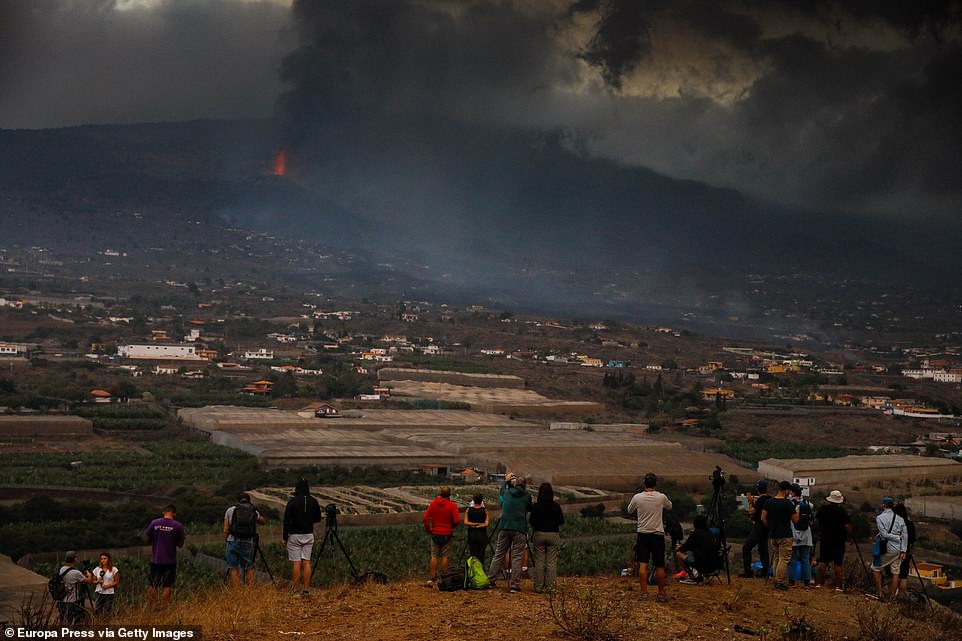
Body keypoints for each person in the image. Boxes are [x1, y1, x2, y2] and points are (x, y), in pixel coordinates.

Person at [626, 472, 672, 601]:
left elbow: (629, 510)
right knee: (659, 565)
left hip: (643, 534)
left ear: (644, 484)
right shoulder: (661, 497)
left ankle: (644, 592)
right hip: (657, 534)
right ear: (655, 484)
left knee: (643, 563)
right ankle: (661, 593)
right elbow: (670, 506)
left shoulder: (637, 497)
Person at [486, 473, 532, 592]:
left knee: (499, 554)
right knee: (517, 556)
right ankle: (514, 585)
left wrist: (506, 482)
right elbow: (529, 507)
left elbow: (501, 494)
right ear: (525, 485)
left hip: (505, 526)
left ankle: (491, 579)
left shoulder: (507, 493)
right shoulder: (527, 496)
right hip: (519, 528)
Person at [283, 479, 322, 596]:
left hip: (294, 535)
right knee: (307, 562)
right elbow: (318, 518)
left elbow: (286, 521)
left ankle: (295, 590)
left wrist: (285, 537)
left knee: (296, 562)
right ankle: (306, 590)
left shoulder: (292, 502)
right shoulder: (314, 501)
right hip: (309, 534)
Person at [144, 504, 185, 606]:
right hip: (170, 561)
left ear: (164, 512)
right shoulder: (178, 526)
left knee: (153, 584)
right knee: (167, 585)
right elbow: (180, 544)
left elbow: (147, 539)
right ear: (174, 513)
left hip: (156, 560)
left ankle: (150, 606)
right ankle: (164, 607)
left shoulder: (154, 523)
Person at [761, 481, 799, 591]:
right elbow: (795, 520)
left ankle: (775, 578)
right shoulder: (787, 504)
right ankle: (779, 581)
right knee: (784, 558)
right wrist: (797, 510)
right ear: (786, 490)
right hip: (785, 535)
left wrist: (770, 527)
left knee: (777, 557)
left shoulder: (769, 502)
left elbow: (763, 518)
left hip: (773, 534)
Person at [224, 492, 267, 587]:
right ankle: (251, 591)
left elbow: (225, 530)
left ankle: (238, 593)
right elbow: (263, 522)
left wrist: (227, 541)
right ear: (249, 501)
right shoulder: (253, 511)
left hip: (233, 541)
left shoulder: (230, 510)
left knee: (233, 568)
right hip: (247, 542)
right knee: (248, 568)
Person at [529, 482, 565, 592]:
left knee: (539, 561)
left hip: (539, 534)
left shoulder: (536, 506)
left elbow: (531, 521)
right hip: (553, 534)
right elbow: (561, 521)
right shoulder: (556, 506)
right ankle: (550, 587)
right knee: (551, 562)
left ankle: (539, 586)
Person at [872, 496, 908, 600]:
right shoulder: (900, 519)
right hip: (898, 549)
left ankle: (880, 593)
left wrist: (895, 537)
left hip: (887, 548)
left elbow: (883, 534)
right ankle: (892, 597)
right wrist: (903, 550)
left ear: (883, 505)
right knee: (896, 572)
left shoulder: (879, 518)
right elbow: (905, 535)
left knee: (875, 568)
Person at [422, 486, 461, 584]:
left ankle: (432, 578)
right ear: (449, 495)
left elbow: (426, 518)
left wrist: (429, 529)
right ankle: (445, 578)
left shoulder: (433, 504)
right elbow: (457, 520)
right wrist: (452, 527)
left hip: (435, 533)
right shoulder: (452, 506)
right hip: (447, 534)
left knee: (434, 556)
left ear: (440, 493)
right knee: (445, 556)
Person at [814, 490, 851, 590]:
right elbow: (847, 526)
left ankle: (819, 584)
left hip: (826, 538)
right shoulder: (842, 512)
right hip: (839, 540)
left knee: (823, 561)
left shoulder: (823, 509)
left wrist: (819, 529)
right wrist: (849, 534)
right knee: (838, 563)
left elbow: (816, 522)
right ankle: (838, 586)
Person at [675, 515, 717, 584]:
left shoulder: (695, 534)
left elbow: (685, 548)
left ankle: (692, 577)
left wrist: (679, 548)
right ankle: (702, 576)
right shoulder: (710, 533)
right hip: (713, 565)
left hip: (701, 564)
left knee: (678, 553)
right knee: (699, 553)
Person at [741, 479, 770, 578]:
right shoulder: (769, 499)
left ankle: (748, 571)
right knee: (763, 549)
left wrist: (749, 501)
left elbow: (751, 512)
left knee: (747, 547)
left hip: (759, 526)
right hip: (766, 528)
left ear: (758, 489)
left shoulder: (761, 500)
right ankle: (765, 571)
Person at [788, 483, 814, 587]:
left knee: (792, 559)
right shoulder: (808, 503)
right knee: (805, 559)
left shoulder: (790, 503)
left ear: (792, 492)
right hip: (806, 534)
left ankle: (791, 581)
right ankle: (807, 581)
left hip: (793, 532)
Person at [55, 551, 91, 624]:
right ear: (75, 559)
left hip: (61, 601)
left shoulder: (62, 569)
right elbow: (89, 581)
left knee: (63, 621)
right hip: (72, 602)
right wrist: (89, 574)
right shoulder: (76, 573)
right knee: (71, 622)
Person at [892, 503, 916, 599]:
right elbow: (913, 539)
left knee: (894, 573)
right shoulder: (909, 524)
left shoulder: (895, 523)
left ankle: (892, 595)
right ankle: (901, 596)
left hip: (894, 550)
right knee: (903, 575)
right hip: (905, 552)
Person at [463, 493, 490, 564]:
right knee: (481, 555)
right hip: (482, 534)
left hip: (472, 534)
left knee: (473, 555)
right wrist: (479, 525)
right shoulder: (485, 511)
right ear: (481, 501)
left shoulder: (468, 510)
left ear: (473, 501)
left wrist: (473, 525)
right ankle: (481, 570)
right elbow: (486, 524)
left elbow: (466, 522)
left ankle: (475, 570)